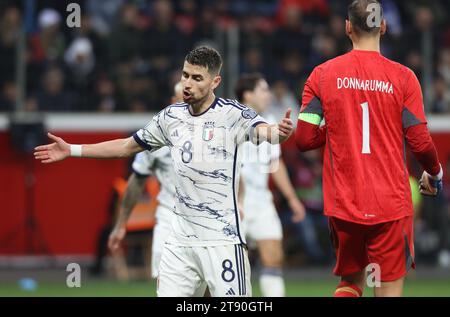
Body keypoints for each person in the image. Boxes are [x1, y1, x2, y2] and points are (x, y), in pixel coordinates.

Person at [34, 46, 294, 297]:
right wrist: (73, 150)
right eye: (185, 75)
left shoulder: (233, 115)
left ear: (215, 82)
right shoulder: (170, 118)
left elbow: (265, 133)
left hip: (222, 241)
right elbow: (126, 147)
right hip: (179, 242)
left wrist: (278, 133)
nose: (188, 84)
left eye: (197, 78)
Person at [295, 0, 443, 297]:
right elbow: (419, 141)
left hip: (344, 203)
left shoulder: (322, 75)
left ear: (347, 27)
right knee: (386, 288)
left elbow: (304, 138)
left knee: (351, 283)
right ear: (384, 27)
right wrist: (434, 172)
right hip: (390, 204)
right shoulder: (404, 78)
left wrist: (338, 126)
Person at [235, 73, 305, 297]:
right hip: (234, 203)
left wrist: (292, 199)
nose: (268, 95)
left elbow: (275, 164)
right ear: (248, 94)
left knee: (274, 256)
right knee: (232, 266)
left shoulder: (270, 121)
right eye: (263, 90)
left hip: (261, 201)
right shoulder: (230, 120)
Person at [108, 82, 182, 281]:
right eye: (184, 96)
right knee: (166, 284)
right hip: (169, 217)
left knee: (207, 290)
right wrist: (121, 223)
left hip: (205, 222)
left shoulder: (216, 132)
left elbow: (235, 175)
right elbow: (132, 169)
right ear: (173, 102)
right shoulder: (157, 134)